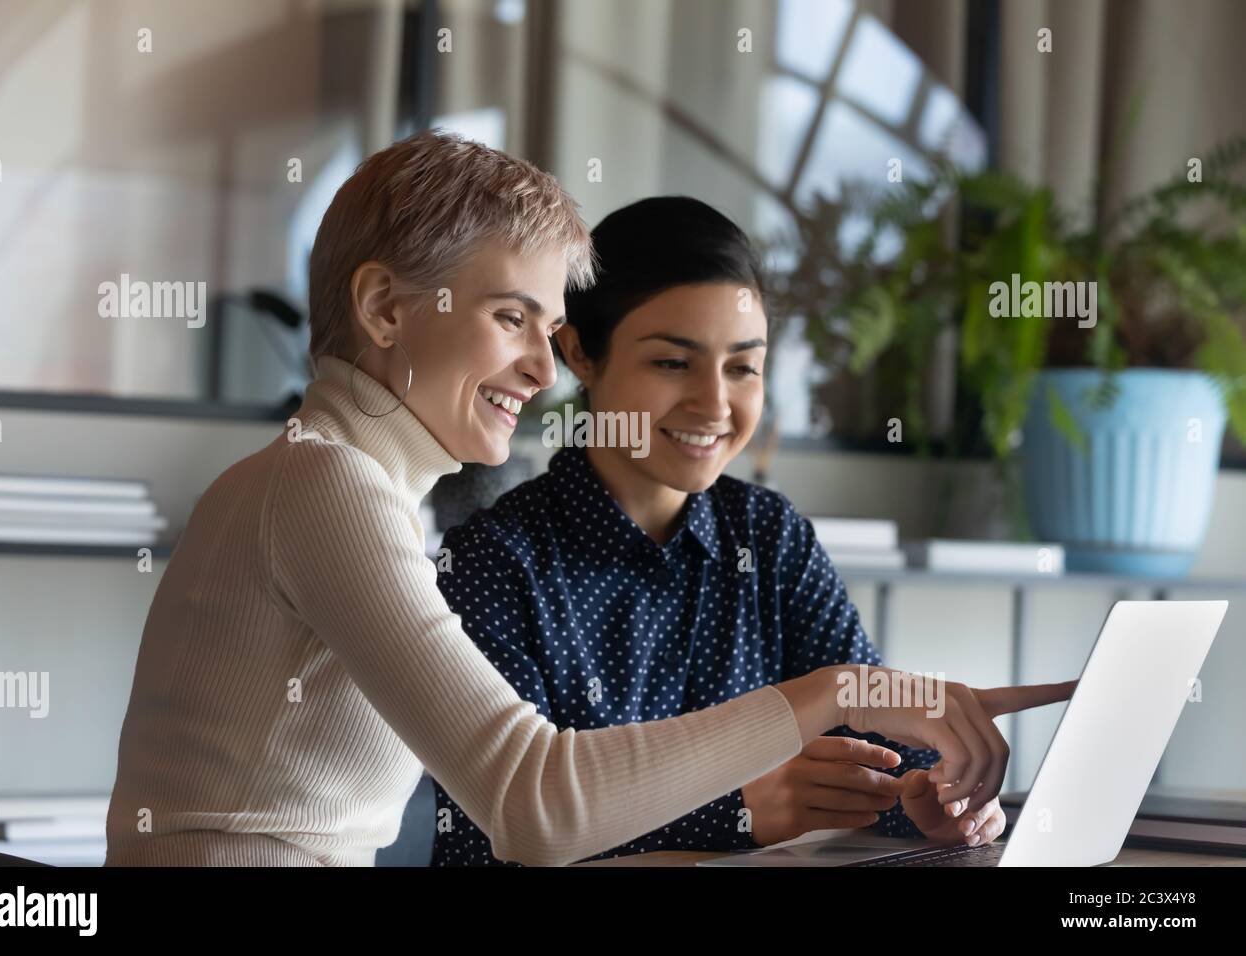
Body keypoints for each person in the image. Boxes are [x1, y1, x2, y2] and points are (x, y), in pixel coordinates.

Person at [106, 132, 1072, 867]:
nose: (540, 365)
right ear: (387, 309)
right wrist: (831, 695)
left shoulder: (347, 484)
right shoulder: (326, 489)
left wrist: (917, 776)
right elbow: (534, 805)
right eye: (509, 318)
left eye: (550, 325)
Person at [430, 197, 1027, 864]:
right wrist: (738, 811)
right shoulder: (494, 562)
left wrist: (930, 795)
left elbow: (872, 721)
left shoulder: (769, 538)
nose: (714, 404)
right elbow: (486, 843)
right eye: (672, 363)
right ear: (579, 353)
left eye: (743, 367)